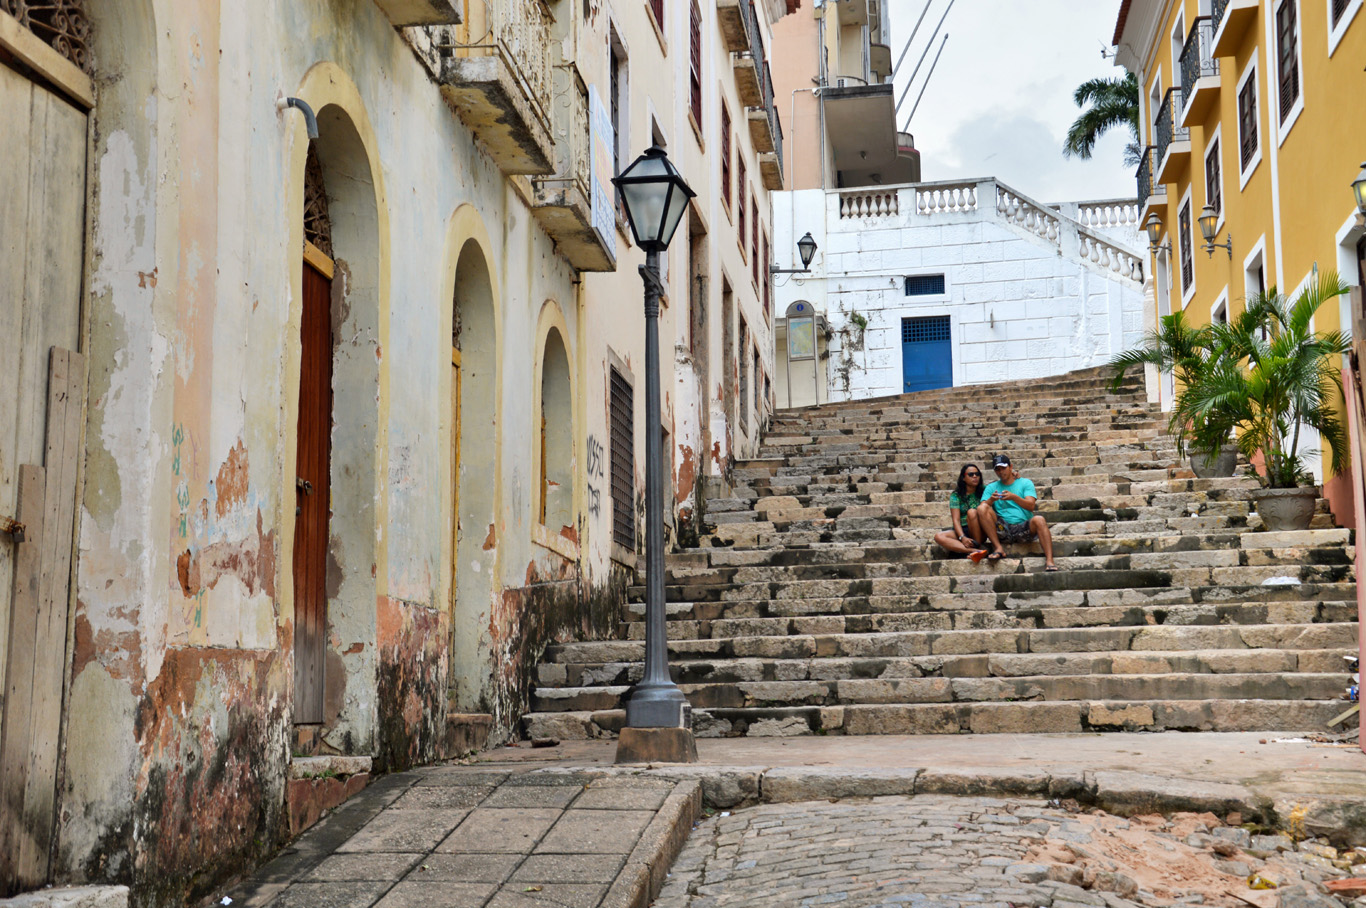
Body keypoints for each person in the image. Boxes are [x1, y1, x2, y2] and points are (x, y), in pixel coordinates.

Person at [971, 454, 1058, 570]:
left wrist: (1014, 497)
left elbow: (1031, 506)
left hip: (1023, 527)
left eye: (1003, 468)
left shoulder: (1025, 483)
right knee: (982, 507)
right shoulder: (992, 487)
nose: (1001, 472)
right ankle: (998, 548)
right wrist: (991, 500)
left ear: (1010, 467)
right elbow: (981, 509)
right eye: (997, 469)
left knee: (1040, 519)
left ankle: (1049, 561)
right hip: (1002, 528)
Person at [933, 464, 986, 556]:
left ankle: (978, 546)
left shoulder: (984, 490)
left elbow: (999, 486)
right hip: (962, 530)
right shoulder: (956, 495)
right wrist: (962, 537)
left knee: (972, 512)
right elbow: (956, 520)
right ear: (963, 478)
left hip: (979, 529)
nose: (975, 476)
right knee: (939, 536)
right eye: (971, 474)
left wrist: (1014, 477)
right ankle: (972, 551)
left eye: (977, 474)